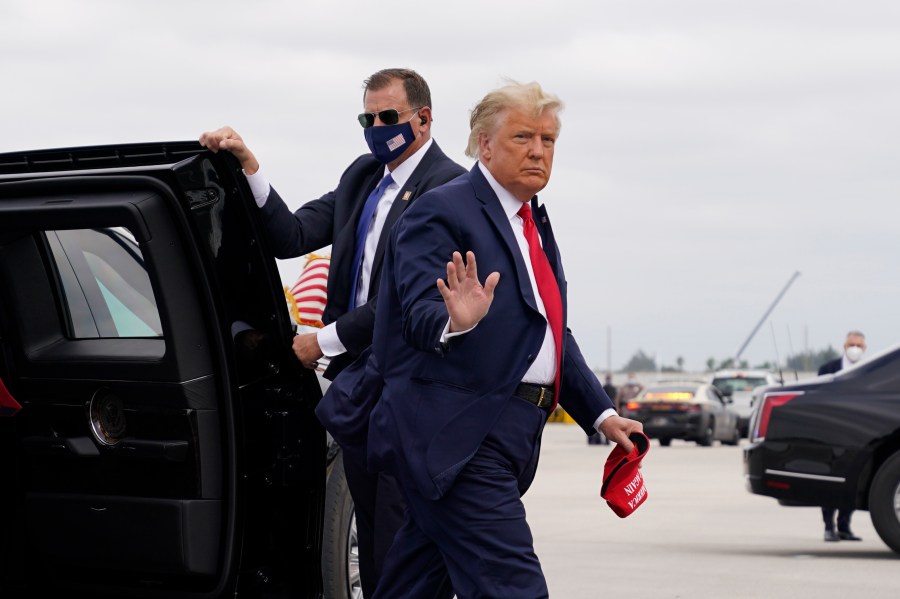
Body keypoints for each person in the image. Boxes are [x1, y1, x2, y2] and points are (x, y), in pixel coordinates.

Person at [365, 81, 644, 598]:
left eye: (548, 139)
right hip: (460, 438)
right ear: (485, 145)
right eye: (523, 136)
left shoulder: (531, 220)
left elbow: (550, 331)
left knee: (412, 586)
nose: (539, 150)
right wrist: (458, 320)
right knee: (513, 587)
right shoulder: (441, 210)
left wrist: (602, 415)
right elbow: (417, 315)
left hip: (511, 433)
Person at [199, 68, 465, 598]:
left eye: (388, 117)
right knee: (369, 535)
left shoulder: (450, 188)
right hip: (358, 387)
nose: (376, 128)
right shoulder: (362, 177)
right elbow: (290, 234)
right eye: (367, 118)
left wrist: (323, 340)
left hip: (411, 388)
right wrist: (250, 169)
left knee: (402, 542)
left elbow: (406, 299)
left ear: (424, 118)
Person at [817, 330, 867, 542]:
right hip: (832, 432)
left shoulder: (868, 371)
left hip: (858, 435)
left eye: (859, 345)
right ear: (844, 346)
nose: (855, 348)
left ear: (864, 349)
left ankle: (845, 526)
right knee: (831, 480)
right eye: (851, 344)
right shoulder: (828, 369)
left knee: (854, 481)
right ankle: (829, 526)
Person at [588, 373, 617, 445]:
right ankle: (604, 441)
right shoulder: (612, 388)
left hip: (603, 407)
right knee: (606, 425)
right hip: (610, 408)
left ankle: (598, 440)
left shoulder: (603, 387)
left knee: (601, 425)